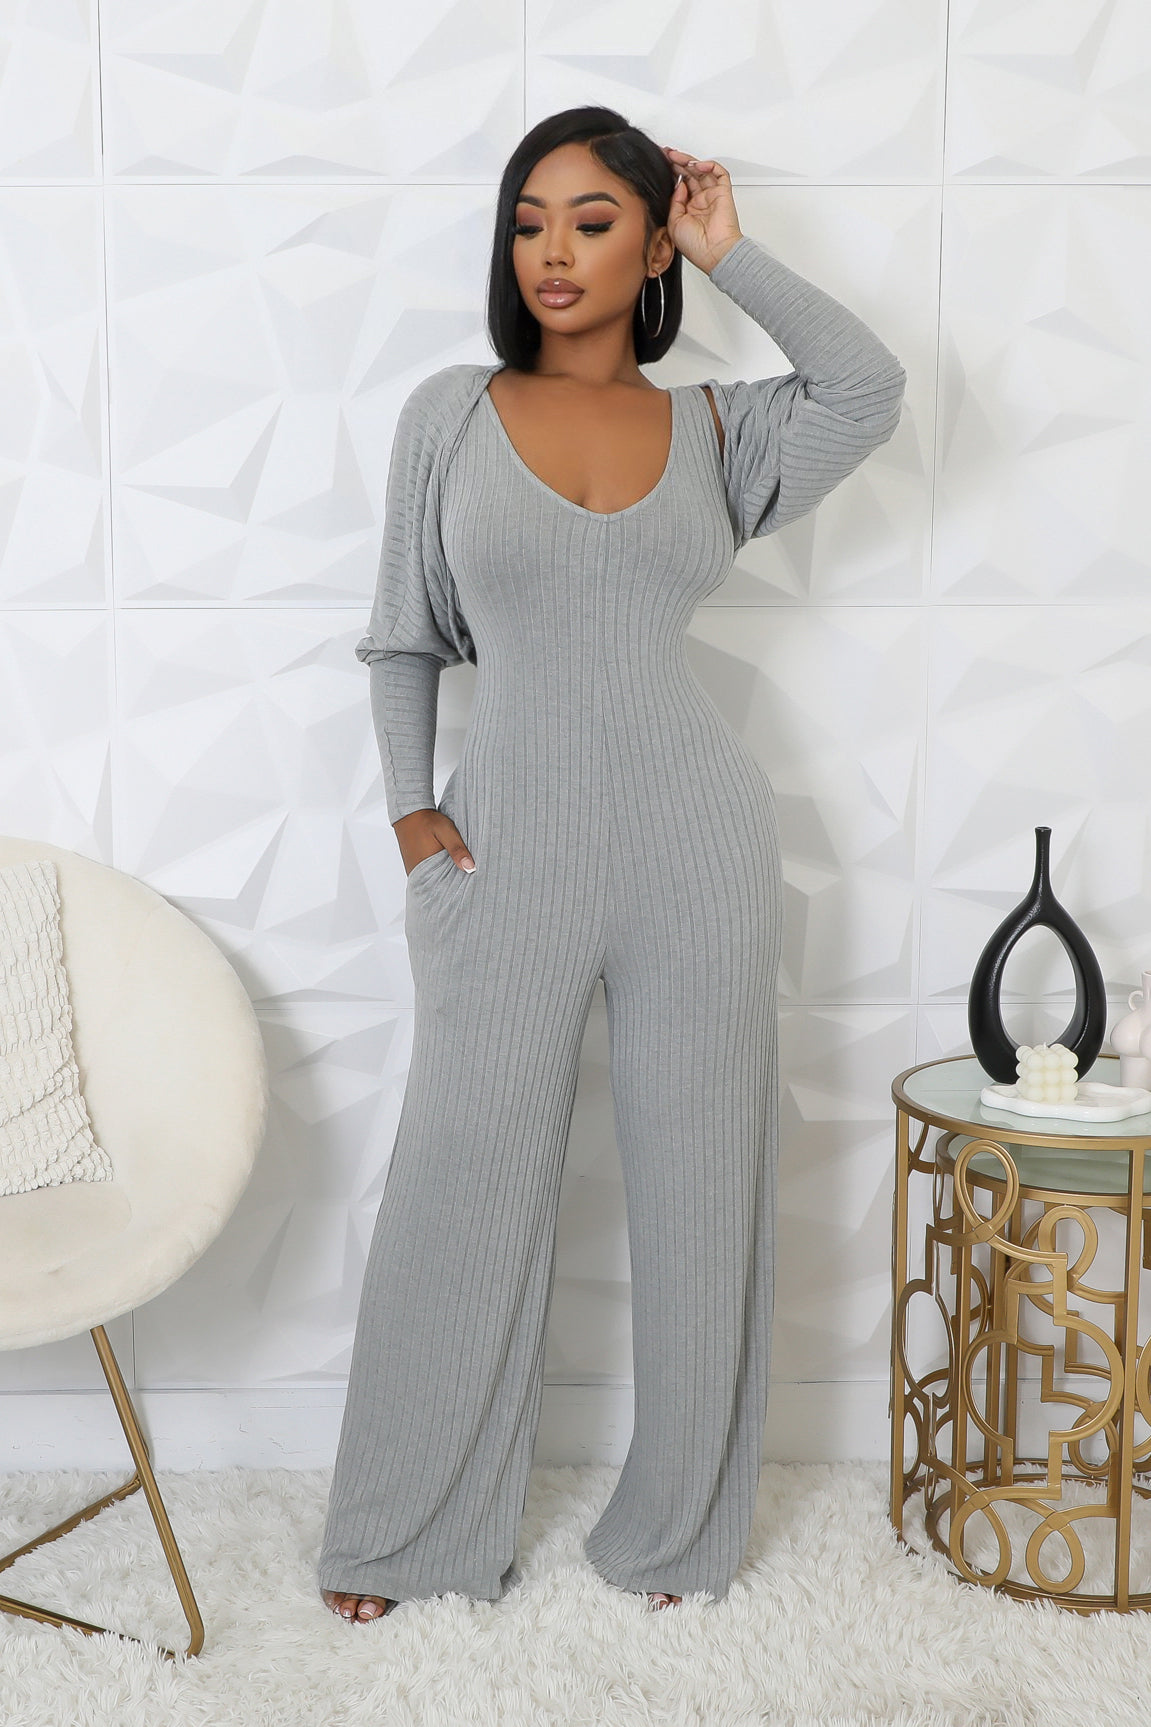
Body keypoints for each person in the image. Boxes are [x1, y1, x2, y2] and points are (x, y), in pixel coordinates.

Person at [319, 105, 906, 1624]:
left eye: (594, 221)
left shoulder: (720, 431)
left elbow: (869, 385)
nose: (554, 251)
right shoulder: (451, 414)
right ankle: (404, 1531)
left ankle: (677, 1531)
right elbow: (401, 639)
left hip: (696, 846)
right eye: (530, 221)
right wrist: (412, 816)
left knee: (703, 1183)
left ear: (651, 248)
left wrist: (732, 251)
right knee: (460, 1180)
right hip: (501, 850)